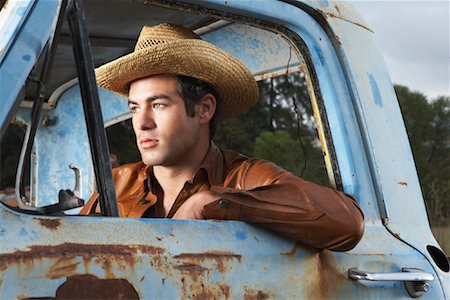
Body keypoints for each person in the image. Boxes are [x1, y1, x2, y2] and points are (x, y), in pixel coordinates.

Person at [93, 23, 364, 251]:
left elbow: (348, 222)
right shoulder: (116, 185)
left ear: (204, 108)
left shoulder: (244, 178)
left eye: (159, 105)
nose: (141, 123)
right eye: (135, 108)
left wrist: (217, 202)